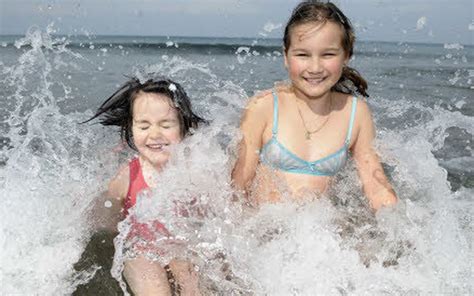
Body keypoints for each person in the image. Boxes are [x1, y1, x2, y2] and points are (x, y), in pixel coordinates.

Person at [232, 1, 397, 210]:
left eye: (328, 54)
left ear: (346, 55)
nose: (315, 67)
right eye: (302, 55)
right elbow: (239, 184)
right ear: (286, 56)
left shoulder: (356, 113)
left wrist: (402, 224)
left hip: (322, 236)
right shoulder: (263, 107)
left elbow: (374, 182)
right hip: (266, 233)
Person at [86, 76, 206, 295]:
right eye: (144, 126)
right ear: (131, 129)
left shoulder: (195, 171)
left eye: (166, 125)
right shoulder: (127, 176)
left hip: (182, 248)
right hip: (141, 250)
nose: (154, 134)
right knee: (150, 281)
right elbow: (107, 221)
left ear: (184, 127)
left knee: (191, 282)